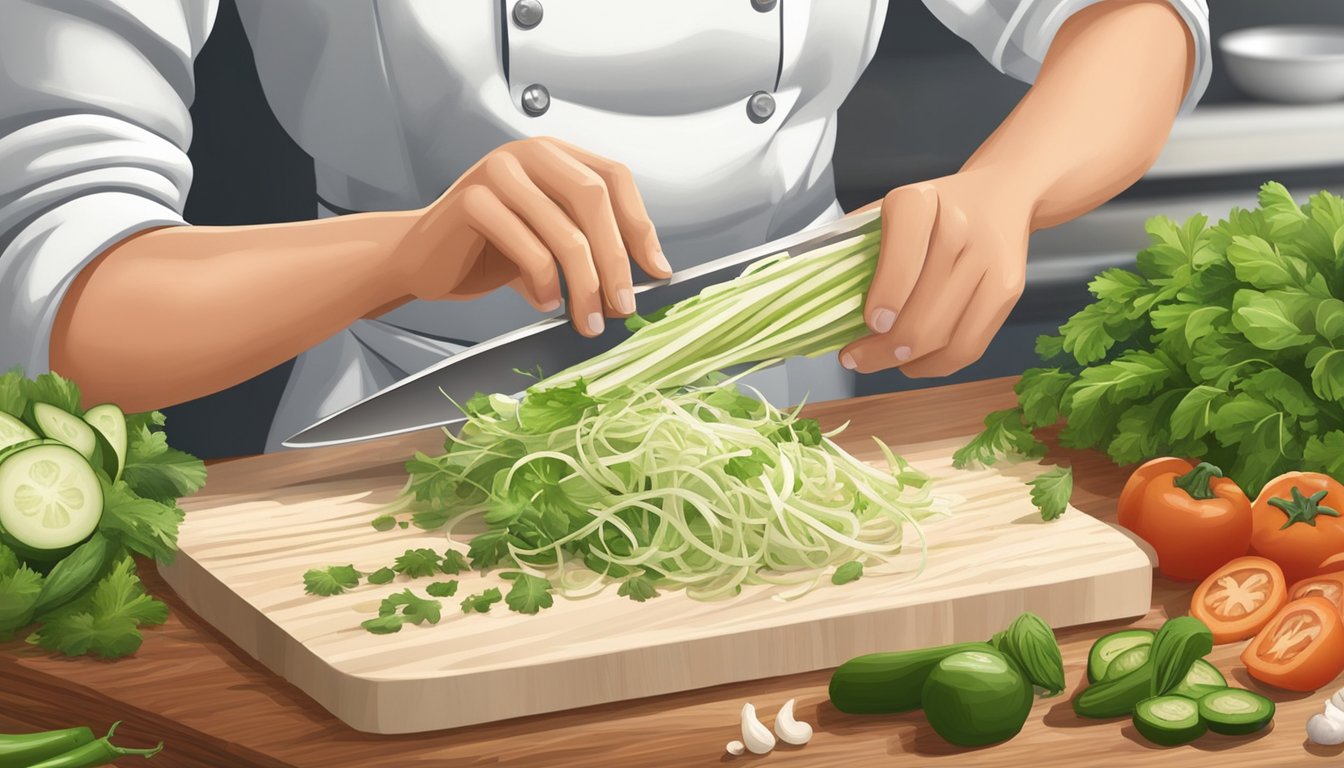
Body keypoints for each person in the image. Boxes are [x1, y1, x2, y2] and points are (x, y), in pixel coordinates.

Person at [0, 0, 1210, 453]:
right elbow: (59, 294)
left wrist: (1004, 188)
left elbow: (1135, 17)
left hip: (817, 436)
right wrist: (399, 252)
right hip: (404, 458)